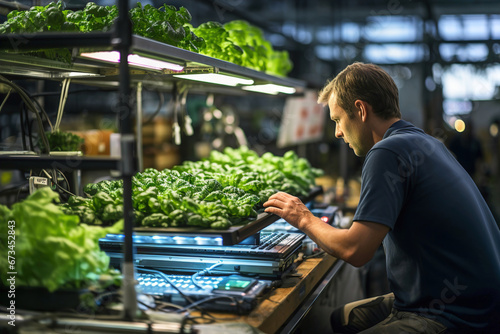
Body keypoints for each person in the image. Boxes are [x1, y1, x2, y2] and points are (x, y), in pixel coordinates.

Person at [264, 62, 500, 333]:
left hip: (457, 314)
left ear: (361, 110)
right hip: (471, 298)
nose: (338, 132)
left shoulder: (387, 151)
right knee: (340, 318)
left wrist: (303, 218)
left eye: (338, 120)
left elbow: (356, 250)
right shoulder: (426, 142)